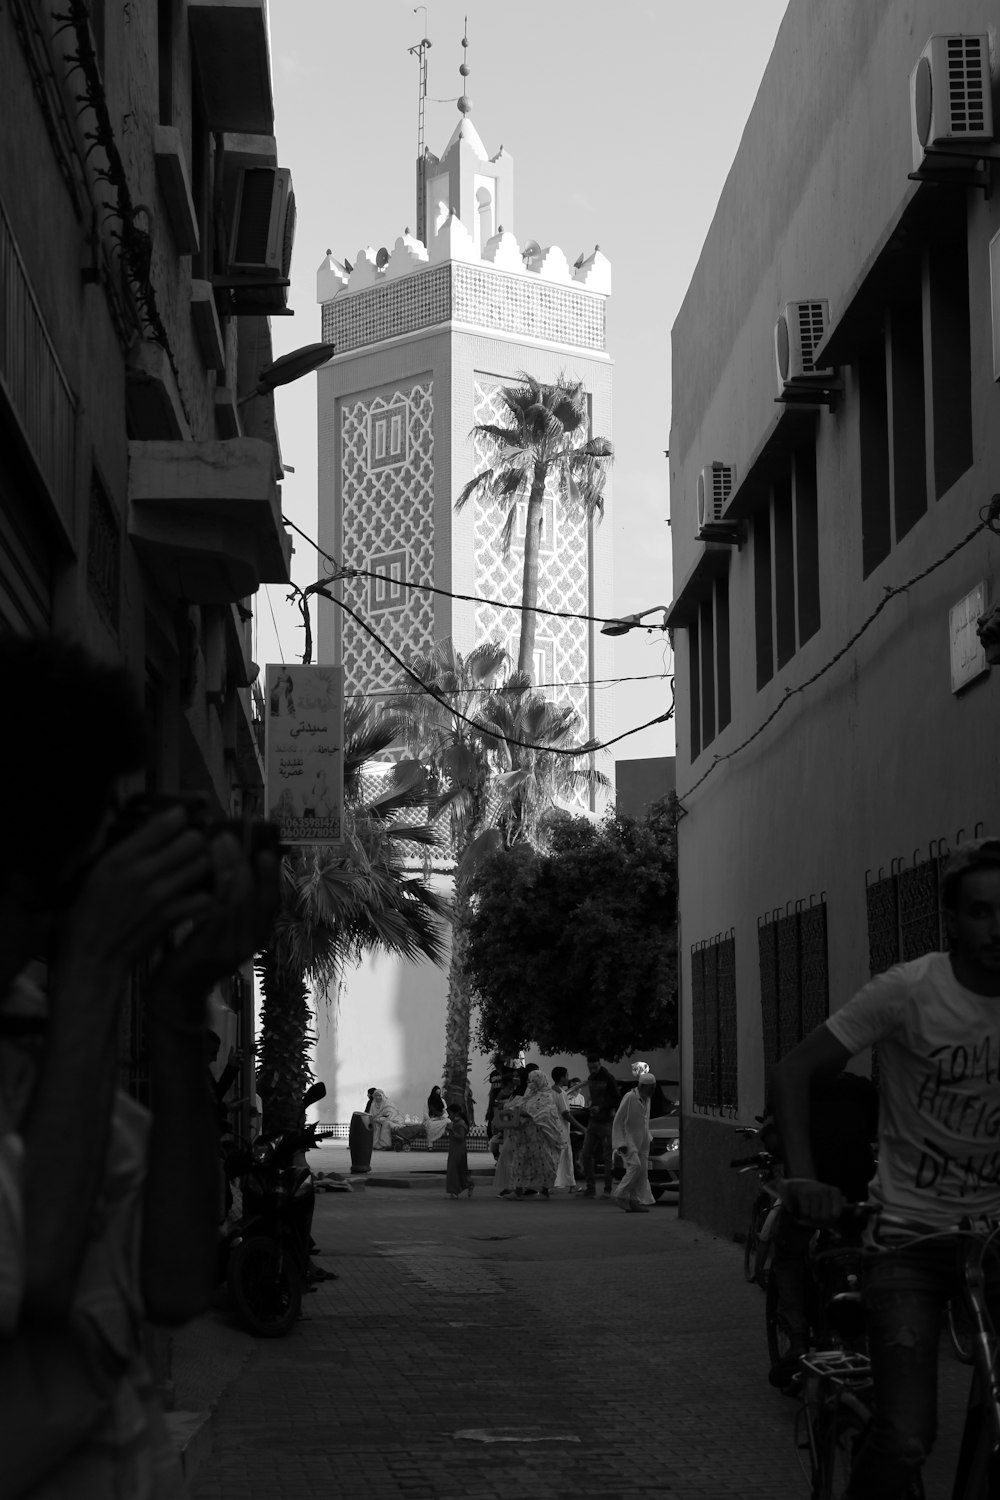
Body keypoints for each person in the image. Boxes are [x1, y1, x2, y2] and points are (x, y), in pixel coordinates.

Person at [0, 636, 280, 1499]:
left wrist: (175, 1003)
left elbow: (174, 1278)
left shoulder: (36, 1031)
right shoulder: (65, 1011)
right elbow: (34, 1271)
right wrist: (94, 967)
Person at [771, 838, 1000, 1500]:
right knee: (906, 1435)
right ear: (953, 923)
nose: (998, 927)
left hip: (995, 1236)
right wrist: (803, 1176)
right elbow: (794, 1070)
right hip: (909, 1239)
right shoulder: (910, 990)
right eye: (982, 912)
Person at [763, 1069, 878, 1388]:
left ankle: (798, 1339)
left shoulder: (792, 1085)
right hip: (856, 1192)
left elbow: (771, 1134)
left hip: (810, 1195)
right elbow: (877, 1131)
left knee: (787, 1255)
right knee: (863, 1251)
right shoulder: (862, 1089)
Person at [507, 1071, 564, 1198]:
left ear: (539, 1081)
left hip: (541, 1140)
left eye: (532, 1081)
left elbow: (542, 1113)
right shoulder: (530, 1096)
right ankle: (518, 1191)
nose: (529, 1084)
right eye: (529, 1081)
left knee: (544, 1163)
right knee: (521, 1162)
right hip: (525, 1140)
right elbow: (521, 1106)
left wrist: (521, 1113)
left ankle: (544, 1190)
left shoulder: (546, 1097)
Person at [611, 1071, 658, 1212]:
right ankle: (620, 1194)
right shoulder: (630, 1097)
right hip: (628, 1139)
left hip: (643, 1141)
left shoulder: (646, 1099)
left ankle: (634, 1201)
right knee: (635, 1167)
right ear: (642, 1086)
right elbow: (618, 1120)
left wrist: (649, 1138)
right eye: (651, 1088)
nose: (653, 1091)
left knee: (642, 1171)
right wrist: (620, 1143)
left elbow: (644, 1121)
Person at [580, 1055, 619, 1197]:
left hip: (606, 1121)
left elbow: (616, 1098)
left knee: (607, 1157)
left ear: (600, 1064)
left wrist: (601, 1108)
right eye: (590, 1068)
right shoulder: (591, 1079)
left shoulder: (609, 1078)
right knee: (585, 1154)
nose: (592, 1070)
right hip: (594, 1121)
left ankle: (607, 1189)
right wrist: (592, 1107)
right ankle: (591, 1188)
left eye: (595, 1067)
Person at [551, 1066, 582, 1192]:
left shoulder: (549, 1092)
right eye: (567, 1076)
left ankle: (568, 1184)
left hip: (552, 1128)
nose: (568, 1079)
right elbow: (565, 1113)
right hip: (561, 1129)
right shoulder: (561, 1093)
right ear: (562, 1077)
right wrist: (581, 1127)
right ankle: (570, 1185)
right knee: (566, 1156)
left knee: (556, 1157)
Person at [445, 1103, 474, 1199]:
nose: (449, 1116)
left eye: (450, 1114)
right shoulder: (456, 1123)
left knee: (455, 1170)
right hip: (454, 1149)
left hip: (459, 1151)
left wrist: (452, 1131)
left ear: (455, 1113)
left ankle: (455, 1191)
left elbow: (461, 1137)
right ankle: (467, 1185)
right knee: (458, 1171)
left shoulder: (461, 1124)